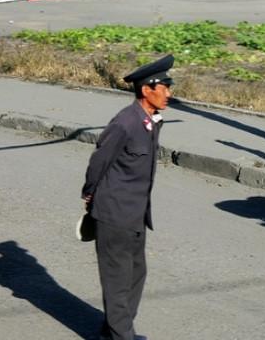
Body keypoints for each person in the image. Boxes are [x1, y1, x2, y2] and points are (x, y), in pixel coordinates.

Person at [81, 54, 174, 339]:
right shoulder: (125, 122)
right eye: (165, 87)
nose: (169, 93)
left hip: (135, 213)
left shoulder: (149, 121)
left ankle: (113, 331)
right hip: (114, 213)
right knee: (118, 279)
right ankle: (122, 335)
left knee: (136, 274)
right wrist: (89, 193)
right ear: (147, 90)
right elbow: (99, 160)